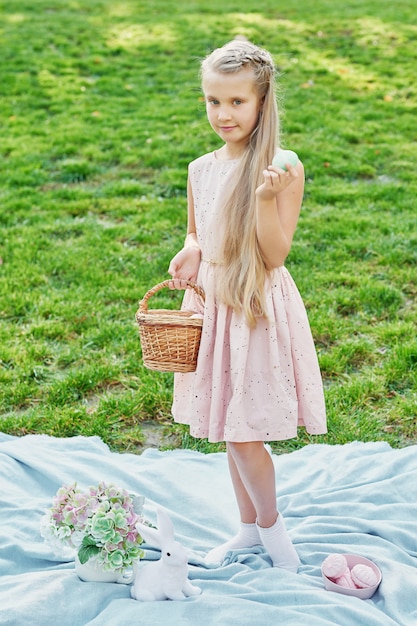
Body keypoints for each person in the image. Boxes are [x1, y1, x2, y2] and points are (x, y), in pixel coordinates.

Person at [168, 39, 327, 572]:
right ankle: (246, 531)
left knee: (243, 431)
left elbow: (276, 251)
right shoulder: (200, 168)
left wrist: (262, 199)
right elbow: (196, 232)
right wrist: (189, 252)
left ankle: (273, 531)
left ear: (262, 101)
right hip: (213, 308)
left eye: (237, 102)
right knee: (229, 430)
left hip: (255, 308)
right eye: (214, 101)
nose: (223, 114)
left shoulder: (282, 167)